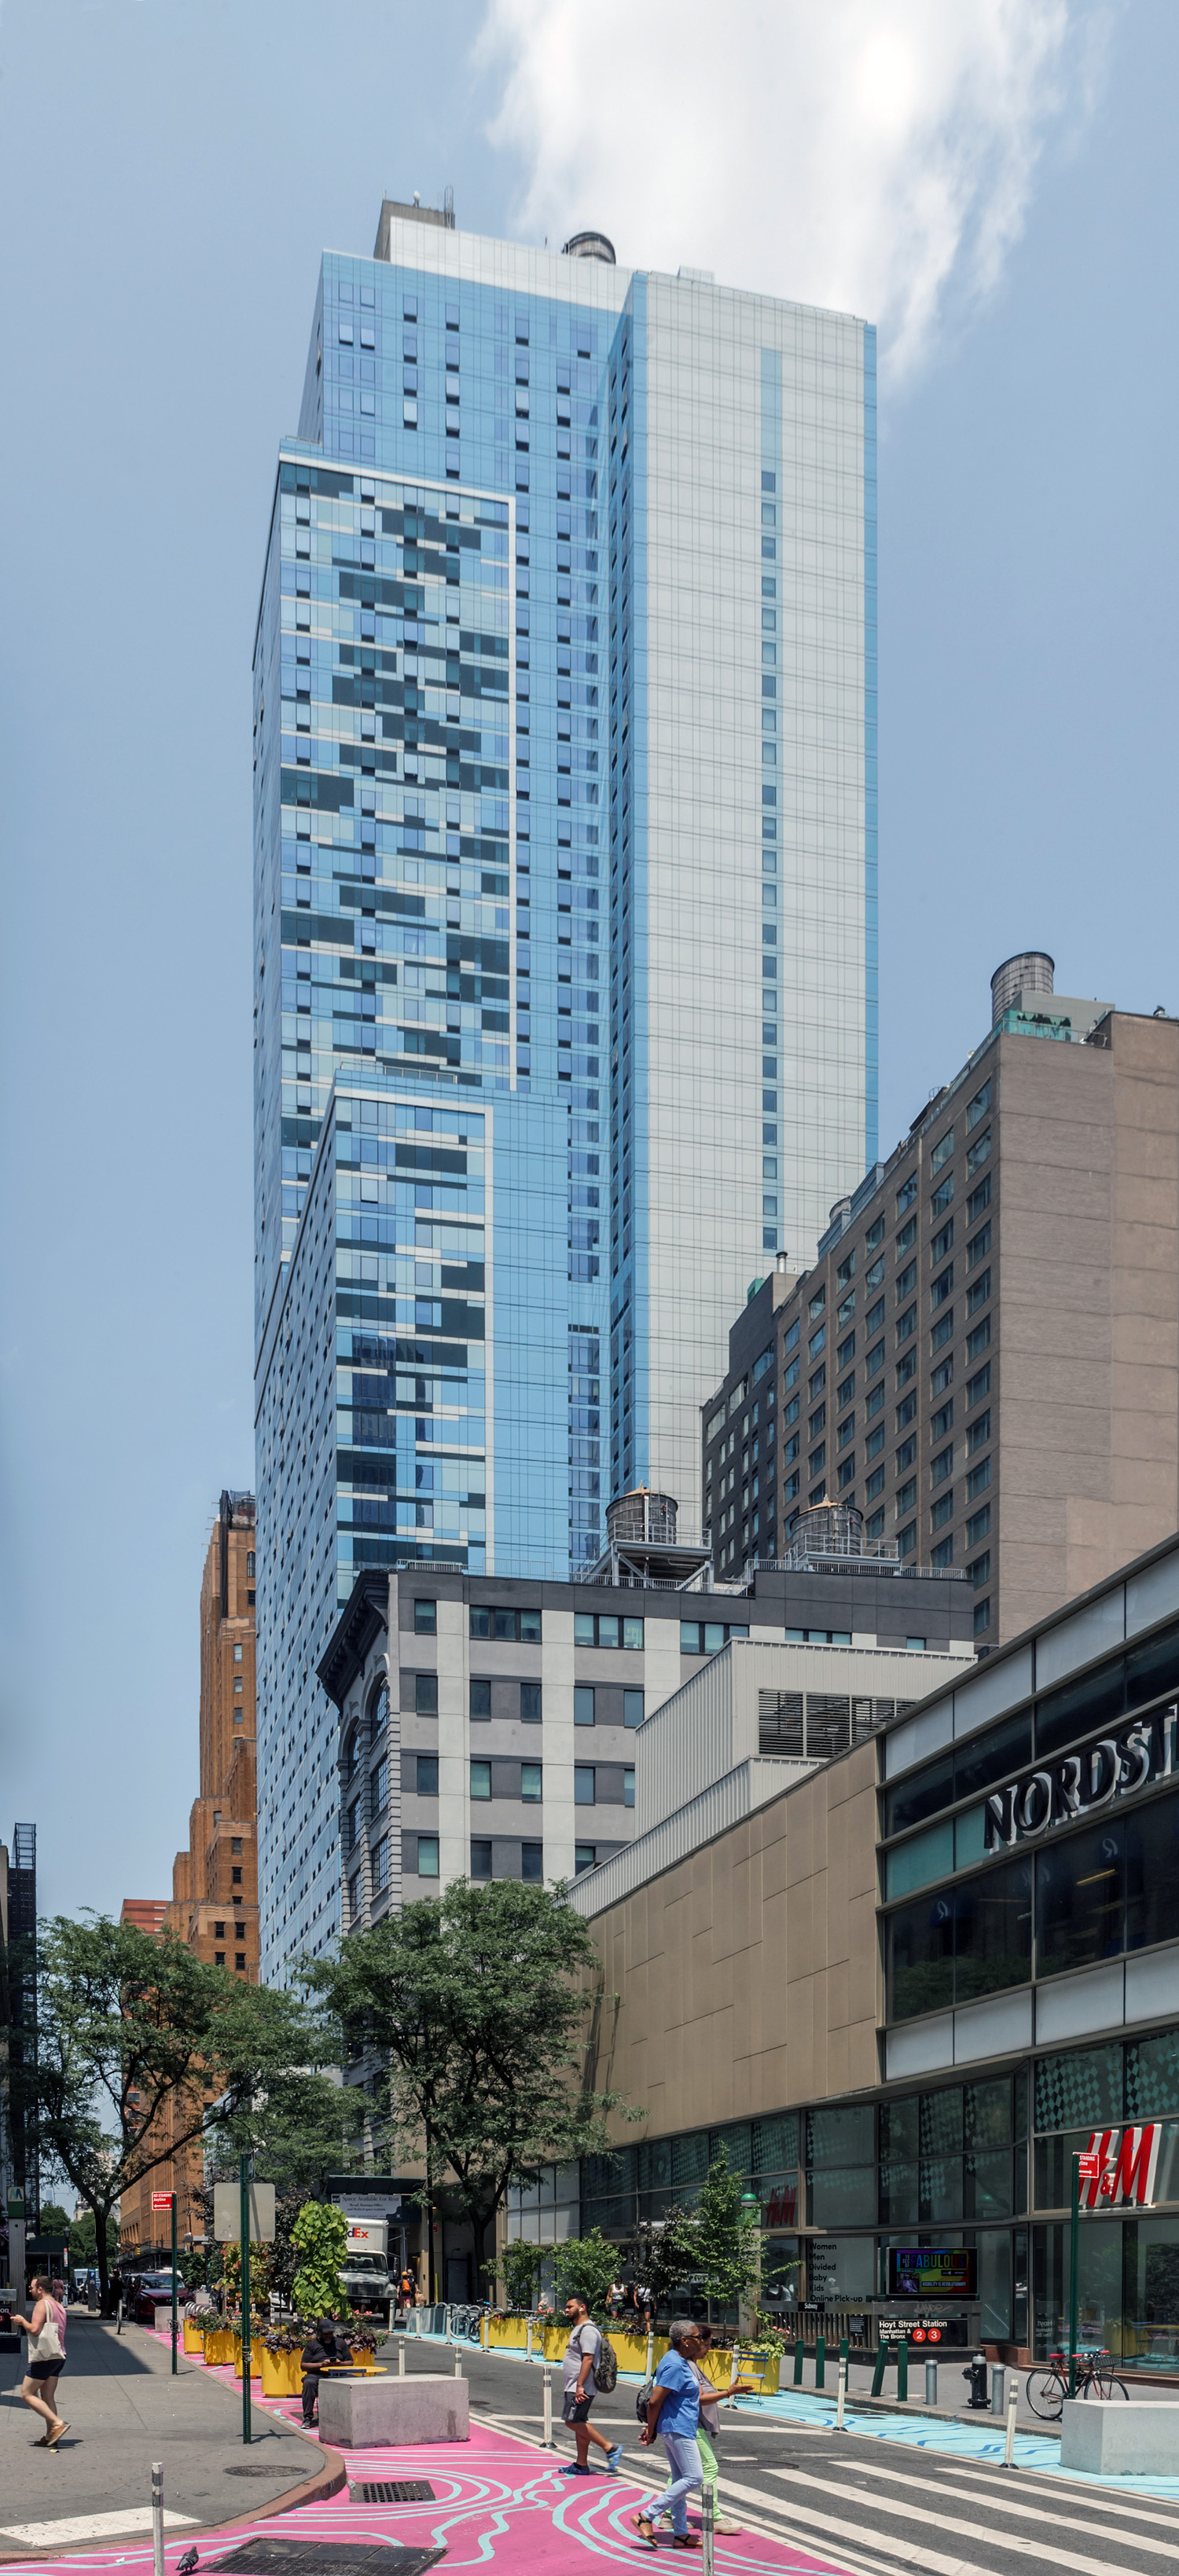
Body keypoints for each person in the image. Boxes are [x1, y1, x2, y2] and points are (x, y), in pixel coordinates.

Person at [633, 2318, 704, 2548]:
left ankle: (681, 2533)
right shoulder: (675, 2364)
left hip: (678, 2427)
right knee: (695, 2477)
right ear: (684, 2341)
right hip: (677, 2428)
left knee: (681, 2479)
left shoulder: (680, 2361)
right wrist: (651, 2431)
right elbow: (655, 2402)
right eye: (697, 2337)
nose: (700, 2342)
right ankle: (647, 2515)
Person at [688, 2325, 757, 2534]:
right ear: (695, 2343)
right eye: (707, 2345)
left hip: (685, 2426)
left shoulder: (689, 2364)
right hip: (690, 2426)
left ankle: (669, 2516)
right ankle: (713, 2516)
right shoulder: (688, 2366)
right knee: (709, 2467)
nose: (708, 2349)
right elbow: (698, 2399)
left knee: (682, 2470)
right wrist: (728, 2392)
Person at [557, 2292, 623, 2478]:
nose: (567, 2310)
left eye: (570, 2306)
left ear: (582, 2307)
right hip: (574, 2384)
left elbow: (588, 2359)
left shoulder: (588, 2330)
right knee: (579, 2421)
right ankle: (581, 2464)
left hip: (581, 2386)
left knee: (572, 2421)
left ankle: (610, 2448)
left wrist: (579, 2386)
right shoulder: (579, 2329)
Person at [13, 2275, 68, 2449]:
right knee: (47, 2396)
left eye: (31, 2288)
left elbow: (35, 2330)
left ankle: (57, 2423)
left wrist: (22, 2321)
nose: (30, 2291)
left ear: (40, 2289)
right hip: (58, 2355)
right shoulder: (58, 2305)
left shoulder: (42, 2304)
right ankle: (51, 2436)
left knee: (26, 2394)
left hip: (45, 2357)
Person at [300, 2317, 339, 2426]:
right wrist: (321, 2365)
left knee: (355, 2381)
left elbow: (350, 2362)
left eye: (331, 2333)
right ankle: (308, 2418)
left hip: (338, 2374)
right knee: (309, 2383)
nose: (328, 2336)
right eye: (326, 2333)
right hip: (317, 2374)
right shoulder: (312, 2345)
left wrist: (339, 2363)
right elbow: (303, 2366)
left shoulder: (339, 2343)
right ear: (319, 2332)